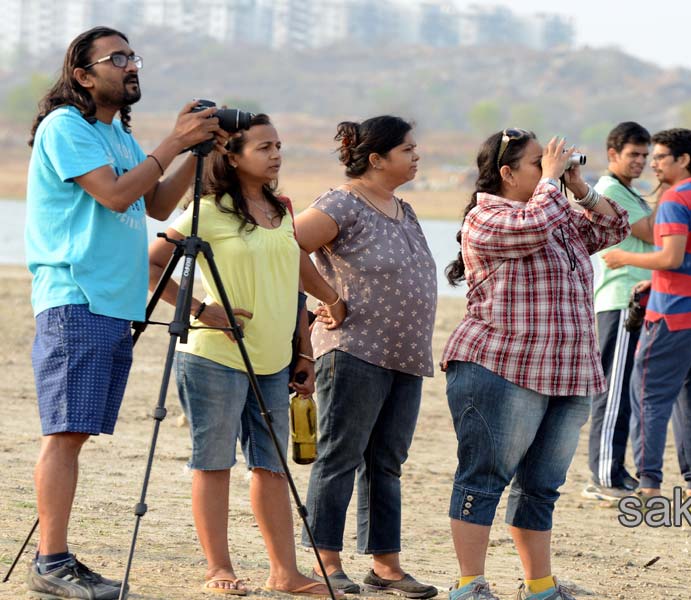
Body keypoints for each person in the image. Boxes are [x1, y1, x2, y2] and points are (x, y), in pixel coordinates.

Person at [24, 26, 224, 600]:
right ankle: (51, 561)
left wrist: (193, 151)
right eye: (117, 58)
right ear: (83, 75)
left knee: (77, 431)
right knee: (64, 432)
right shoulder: (67, 127)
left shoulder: (115, 134)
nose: (131, 66)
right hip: (76, 294)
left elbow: (156, 202)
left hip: (113, 301)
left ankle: (56, 554)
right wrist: (171, 139)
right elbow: (114, 195)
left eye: (134, 56)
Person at [147, 114, 342, 597]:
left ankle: (285, 572)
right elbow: (151, 264)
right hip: (215, 357)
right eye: (263, 147)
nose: (276, 154)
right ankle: (218, 568)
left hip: (275, 360)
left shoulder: (283, 211)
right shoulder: (206, 210)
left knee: (272, 465)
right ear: (231, 156)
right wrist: (200, 309)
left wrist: (305, 352)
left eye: (278, 145)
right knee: (213, 463)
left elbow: (293, 284)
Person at [442, 130, 629, 600]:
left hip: (566, 373)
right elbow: (529, 229)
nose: (550, 169)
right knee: (483, 478)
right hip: (499, 367)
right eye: (536, 163)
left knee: (542, 486)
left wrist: (579, 186)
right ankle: (469, 586)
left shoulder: (555, 210)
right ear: (507, 173)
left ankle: (540, 587)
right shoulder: (488, 216)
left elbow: (613, 229)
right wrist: (551, 182)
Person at [294, 116, 439, 599]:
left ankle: (386, 566)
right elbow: (285, 246)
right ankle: (325, 560)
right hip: (354, 349)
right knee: (340, 454)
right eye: (407, 149)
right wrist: (328, 299)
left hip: (405, 356)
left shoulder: (405, 208)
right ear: (376, 158)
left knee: (387, 462)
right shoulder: (342, 203)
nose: (416, 155)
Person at [602, 128, 691, 505]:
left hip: (674, 315)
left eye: (660, 157)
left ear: (684, 161)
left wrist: (623, 258)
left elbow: (671, 258)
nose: (653, 164)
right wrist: (656, 281)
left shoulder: (675, 200)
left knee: (648, 396)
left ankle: (649, 486)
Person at [584, 121, 655, 502]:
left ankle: (613, 468)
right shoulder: (611, 189)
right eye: (634, 155)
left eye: (645, 155)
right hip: (621, 300)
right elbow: (656, 234)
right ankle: (604, 475)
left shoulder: (629, 191)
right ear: (613, 155)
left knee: (625, 390)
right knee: (613, 391)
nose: (641, 162)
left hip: (634, 299)